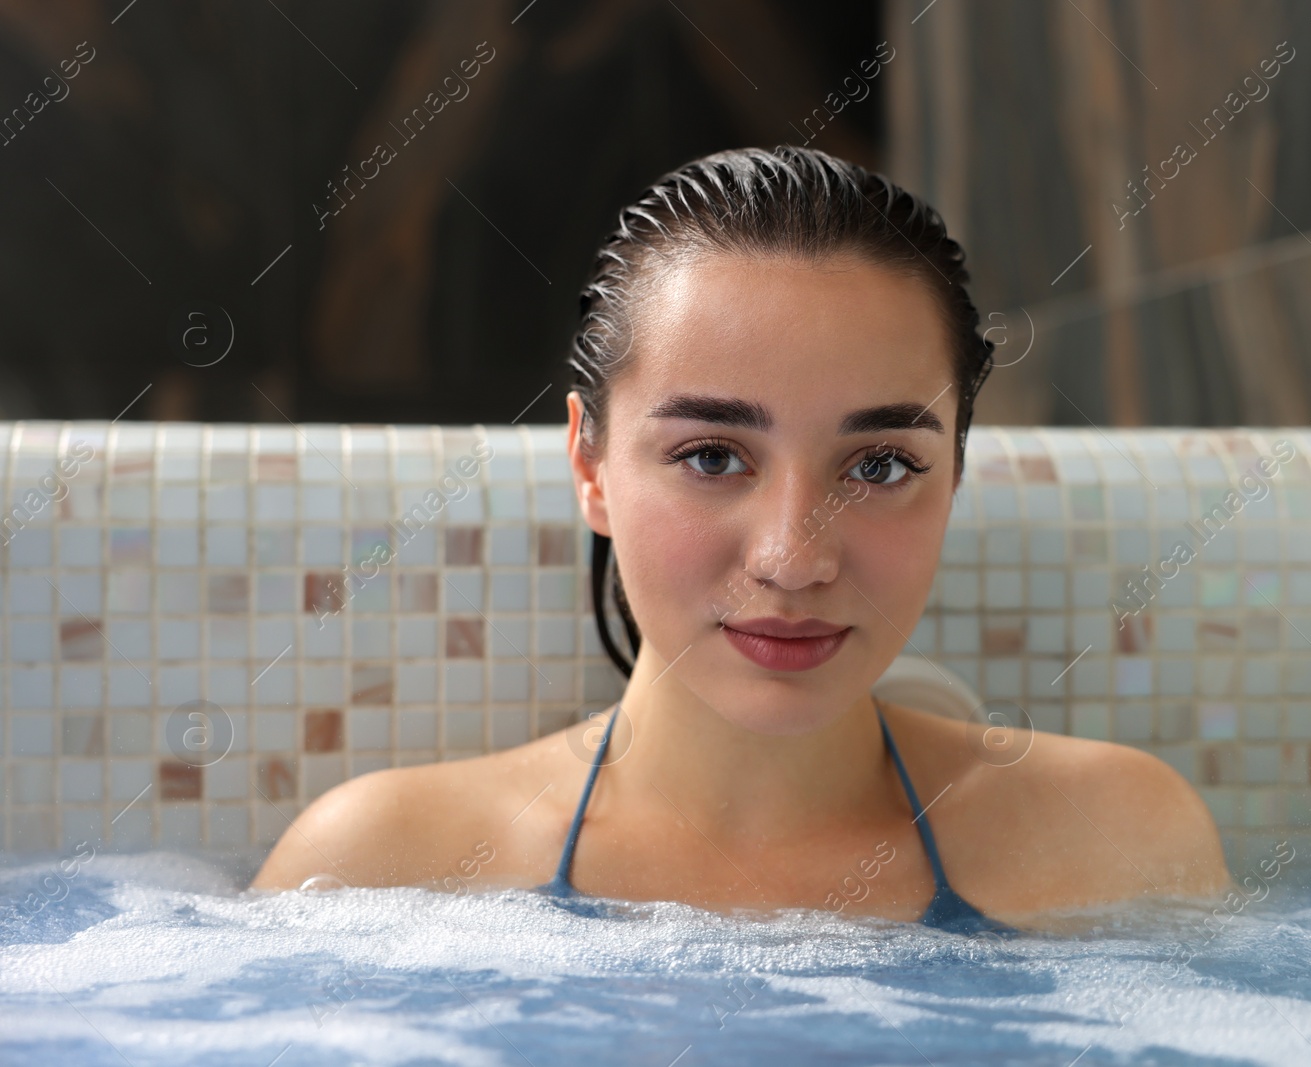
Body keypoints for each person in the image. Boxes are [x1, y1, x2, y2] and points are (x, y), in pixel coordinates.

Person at [251, 146, 1230, 931]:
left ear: (956, 474)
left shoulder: (1116, 842)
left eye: (879, 464)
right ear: (590, 466)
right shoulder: (378, 875)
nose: (792, 557)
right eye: (713, 456)